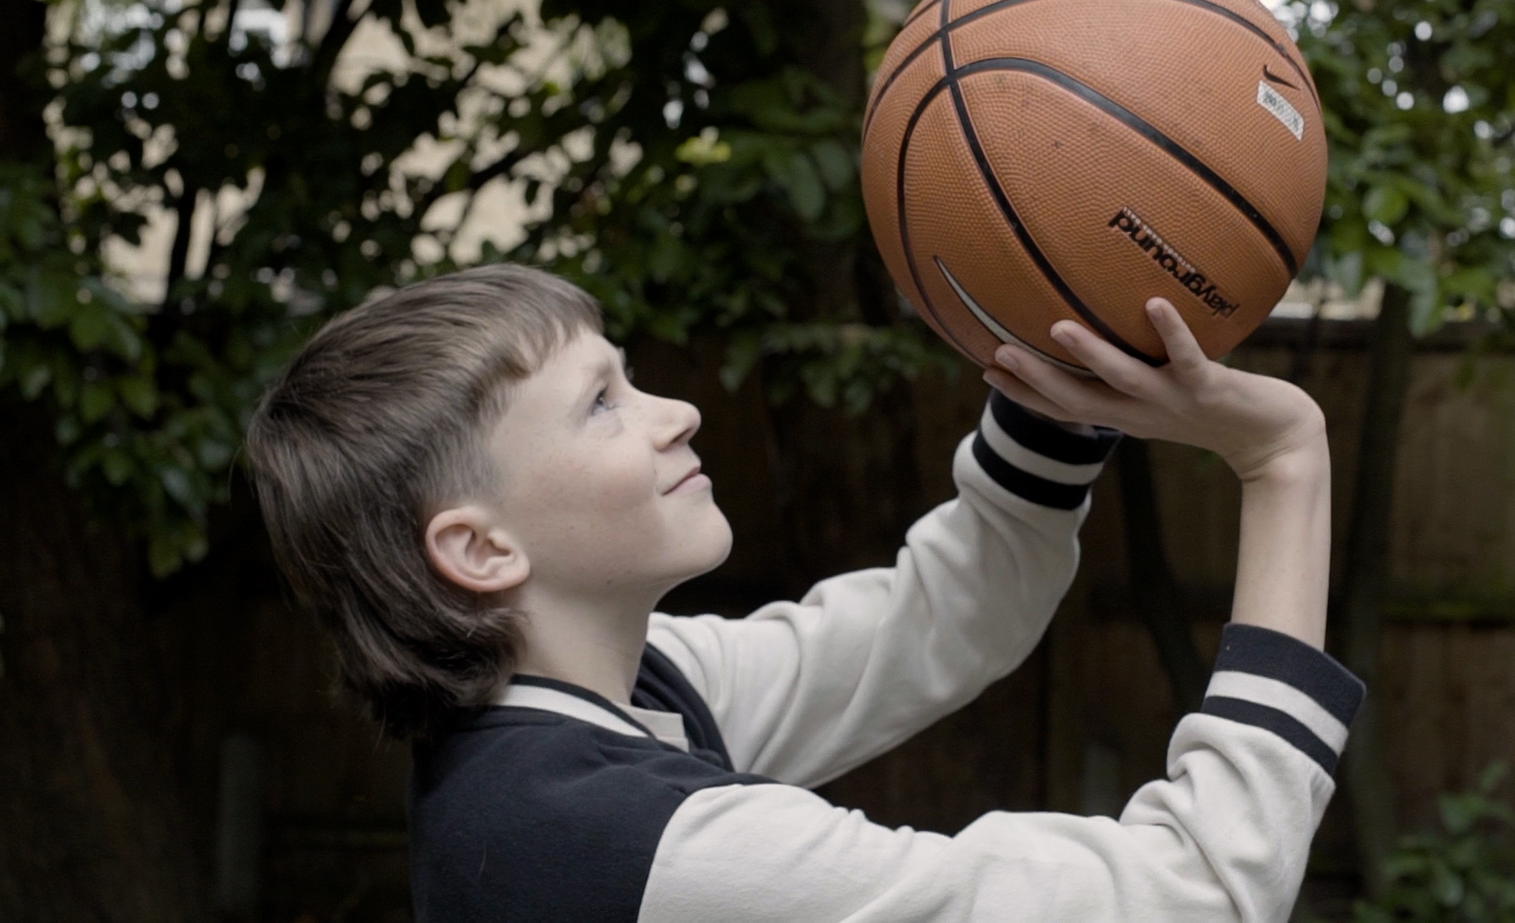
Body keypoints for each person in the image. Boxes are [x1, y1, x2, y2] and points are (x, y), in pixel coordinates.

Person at [245, 262, 1360, 922]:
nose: (672, 411)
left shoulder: (619, 698)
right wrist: (1285, 465)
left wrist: (1058, 376)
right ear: (481, 549)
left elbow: (948, 614)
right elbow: (1195, 896)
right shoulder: (636, 840)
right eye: (601, 405)